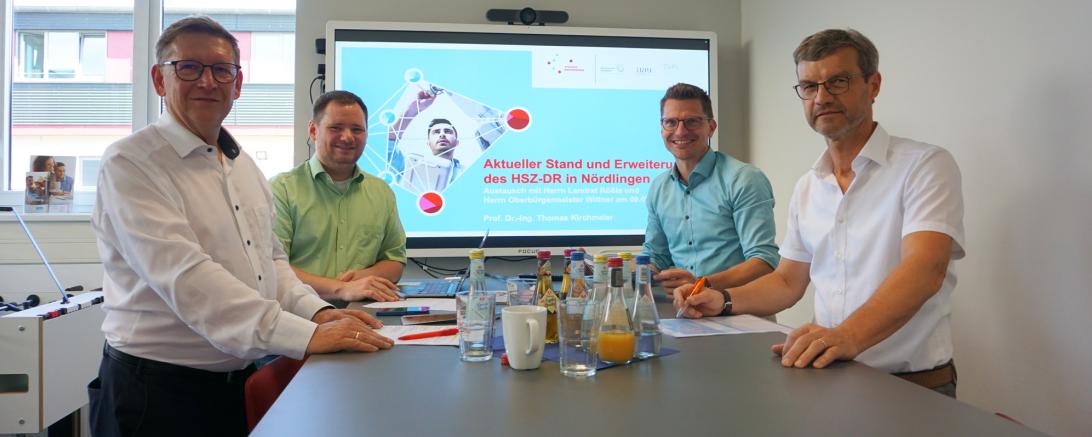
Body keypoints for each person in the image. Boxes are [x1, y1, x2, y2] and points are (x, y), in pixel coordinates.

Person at [88, 16, 393, 436]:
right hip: (156, 393)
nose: (208, 82)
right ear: (159, 80)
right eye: (189, 68)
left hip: (233, 386)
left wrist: (319, 313)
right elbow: (188, 278)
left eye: (221, 70)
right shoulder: (131, 164)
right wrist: (304, 335)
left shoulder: (242, 166)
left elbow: (271, 263)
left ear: (238, 83)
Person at [674, 29, 965, 397]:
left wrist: (845, 336)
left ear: (873, 85)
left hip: (912, 388)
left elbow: (925, 270)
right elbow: (786, 282)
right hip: (832, 380)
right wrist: (724, 299)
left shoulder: (925, 165)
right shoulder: (808, 186)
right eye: (809, 86)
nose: (822, 97)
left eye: (838, 82)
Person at [271, 90, 406, 302]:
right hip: (303, 320)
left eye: (357, 129)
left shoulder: (382, 192)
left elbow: (394, 261)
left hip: (366, 316)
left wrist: (362, 278)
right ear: (313, 130)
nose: (347, 137)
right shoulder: (282, 190)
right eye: (336, 128)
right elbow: (273, 267)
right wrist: (342, 288)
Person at [644, 83, 780, 293]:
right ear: (662, 129)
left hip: (740, 316)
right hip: (684, 315)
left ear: (711, 127)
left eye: (692, 121)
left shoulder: (744, 179)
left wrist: (700, 284)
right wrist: (601, 268)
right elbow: (656, 256)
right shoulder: (659, 188)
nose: (680, 131)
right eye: (670, 122)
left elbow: (764, 262)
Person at [386, 86, 503, 192]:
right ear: (428, 143)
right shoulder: (408, 166)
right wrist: (412, 110)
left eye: (447, 131)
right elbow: (388, 145)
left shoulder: (470, 175)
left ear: (457, 142)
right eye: (436, 132)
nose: (442, 135)